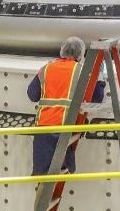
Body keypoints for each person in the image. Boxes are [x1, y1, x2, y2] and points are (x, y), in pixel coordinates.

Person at [27, 37, 106, 177]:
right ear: (80, 55)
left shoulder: (46, 68)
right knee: (62, 167)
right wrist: (100, 77)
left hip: (43, 127)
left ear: (62, 51)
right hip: (66, 127)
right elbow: (96, 98)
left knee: (43, 176)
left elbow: (32, 95)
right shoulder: (81, 71)